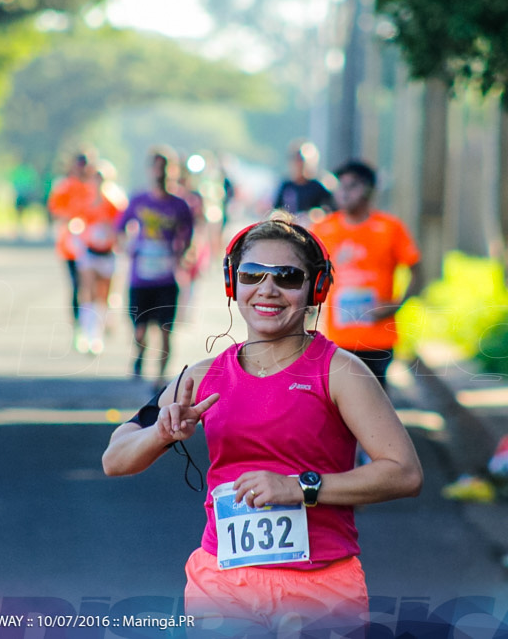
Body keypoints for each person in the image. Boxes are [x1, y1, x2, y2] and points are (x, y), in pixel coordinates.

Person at [102, 216, 423, 636]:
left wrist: (301, 487)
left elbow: (404, 472)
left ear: (316, 287)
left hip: (321, 586)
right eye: (252, 275)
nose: (268, 290)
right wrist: (161, 432)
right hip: (221, 583)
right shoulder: (202, 376)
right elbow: (114, 458)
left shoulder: (340, 371)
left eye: (288, 277)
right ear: (233, 284)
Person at [311, 160, 422, 390]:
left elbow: (417, 272)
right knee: (340, 409)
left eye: (352, 186)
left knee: (374, 405)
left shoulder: (390, 228)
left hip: (378, 339)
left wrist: (396, 305)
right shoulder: (323, 229)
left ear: (369, 190)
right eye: (340, 186)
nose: (343, 192)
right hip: (337, 339)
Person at [115, 147, 194, 385]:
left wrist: (181, 254)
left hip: (167, 278)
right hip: (141, 277)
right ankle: (139, 356)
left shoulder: (180, 205)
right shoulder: (139, 200)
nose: (161, 172)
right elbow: (120, 227)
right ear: (150, 170)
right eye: (157, 166)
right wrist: (127, 248)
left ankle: (160, 377)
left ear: (174, 171)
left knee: (165, 331)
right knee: (140, 331)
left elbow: (189, 235)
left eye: (166, 166)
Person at [73, 162, 128, 354]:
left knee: (102, 295)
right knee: (86, 291)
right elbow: (77, 221)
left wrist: (114, 234)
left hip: (108, 253)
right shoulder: (86, 199)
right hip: (89, 251)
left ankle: (97, 333)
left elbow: (122, 225)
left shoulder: (115, 201)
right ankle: (85, 332)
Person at [47, 153, 95, 345]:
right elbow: (55, 211)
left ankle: (93, 321)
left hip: (93, 245)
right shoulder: (64, 187)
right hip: (70, 246)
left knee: (92, 285)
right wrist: (70, 219)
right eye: (78, 165)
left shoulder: (94, 186)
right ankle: (79, 324)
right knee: (77, 285)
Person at [271, 140, 335, 222]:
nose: (300, 164)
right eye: (297, 159)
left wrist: (316, 214)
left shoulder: (319, 187)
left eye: (302, 160)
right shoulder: (286, 186)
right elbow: (276, 211)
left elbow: (331, 211)